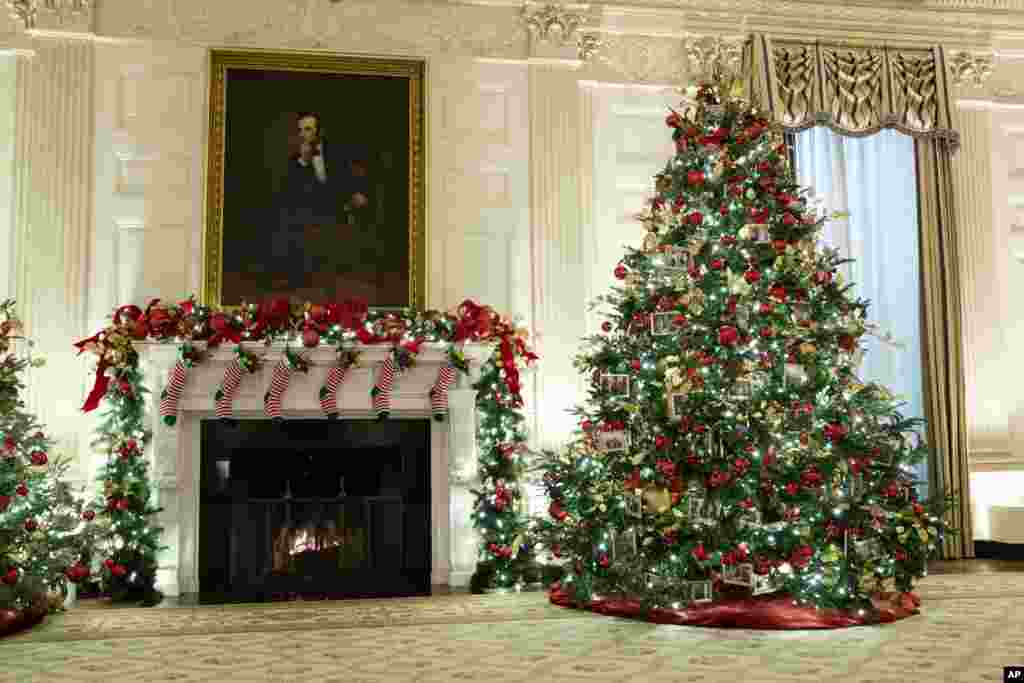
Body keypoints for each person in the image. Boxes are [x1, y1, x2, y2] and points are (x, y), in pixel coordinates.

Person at [271, 112, 371, 292]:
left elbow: (348, 176)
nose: (303, 134)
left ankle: (344, 274)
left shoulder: (336, 152)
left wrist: (357, 193)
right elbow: (291, 192)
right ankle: (301, 276)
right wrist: (303, 162)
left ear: (319, 132)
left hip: (337, 205)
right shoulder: (295, 159)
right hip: (309, 210)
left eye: (308, 129)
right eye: (300, 130)